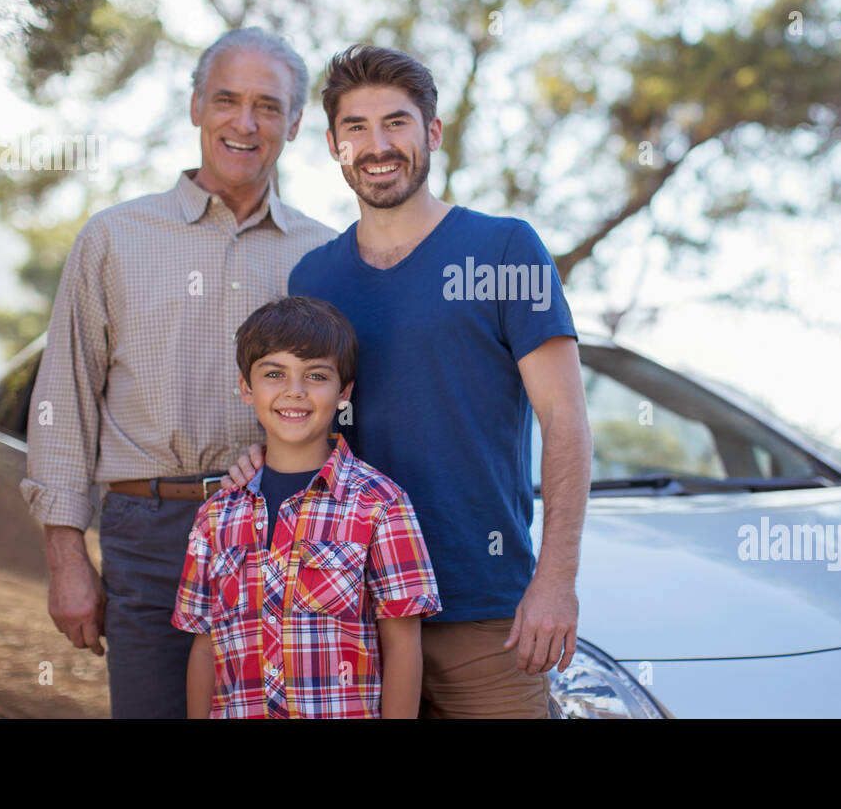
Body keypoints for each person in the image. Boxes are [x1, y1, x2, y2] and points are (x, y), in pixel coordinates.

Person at [227, 44, 593, 718]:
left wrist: (557, 579)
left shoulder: (506, 250)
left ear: (432, 133)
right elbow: (312, 419)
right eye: (356, 129)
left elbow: (566, 421)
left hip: (485, 612)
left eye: (396, 122)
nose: (377, 145)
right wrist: (268, 461)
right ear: (334, 146)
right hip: (346, 612)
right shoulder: (314, 279)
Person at [20, 27, 337, 718]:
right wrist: (66, 558)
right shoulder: (114, 238)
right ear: (196, 106)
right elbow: (63, 399)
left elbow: (350, 412)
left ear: (295, 122)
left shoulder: (326, 256)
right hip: (150, 531)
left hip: (289, 532)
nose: (245, 123)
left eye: (268, 105)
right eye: (226, 99)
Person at [173, 295, 441, 718]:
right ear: (246, 386)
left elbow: (403, 647)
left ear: (343, 392)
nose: (294, 392)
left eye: (316, 375)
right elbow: (205, 648)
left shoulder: (381, 505)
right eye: (274, 373)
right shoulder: (215, 516)